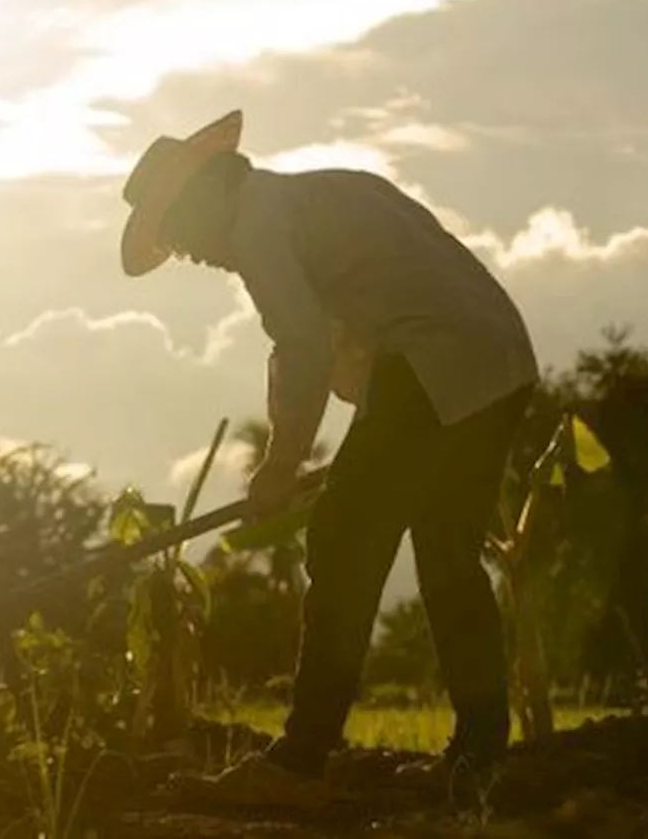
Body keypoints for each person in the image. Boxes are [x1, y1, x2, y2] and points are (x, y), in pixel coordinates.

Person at [117, 110, 539, 808]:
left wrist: (281, 464)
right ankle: (480, 759)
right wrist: (317, 439)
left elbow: (309, 350)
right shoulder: (312, 199)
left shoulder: (257, 227)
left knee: (343, 537)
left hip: (434, 354)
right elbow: (326, 352)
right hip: (499, 357)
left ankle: (302, 755)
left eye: (180, 234)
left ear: (208, 195)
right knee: (447, 554)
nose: (188, 254)